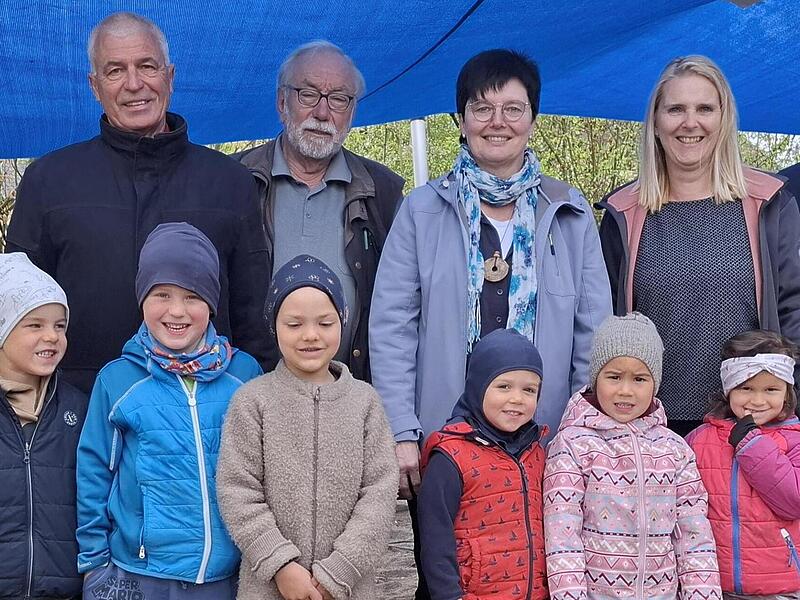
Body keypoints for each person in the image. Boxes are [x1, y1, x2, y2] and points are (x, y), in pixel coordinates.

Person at [369, 48, 611, 598]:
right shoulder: (422, 210)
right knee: (447, 577)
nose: (497, 122)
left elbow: (592, 333)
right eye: (481, 108)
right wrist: (402, 432)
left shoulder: (569, 212)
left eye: (513, 108)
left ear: (533, 119)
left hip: (544, 444)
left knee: (535, 575)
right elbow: (392, 326)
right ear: (460, 120)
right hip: (448, 446)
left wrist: (582, 433)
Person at [6, 11, 270, 394]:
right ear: (95, 86)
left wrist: (257, 405)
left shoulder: (230, 182)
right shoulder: (48, 181)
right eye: (115, 70)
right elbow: (16, 311)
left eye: (147, 66)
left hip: (204, 411)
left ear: (170, 76)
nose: (134, 84)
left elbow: (254, 315)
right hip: (77, 410)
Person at [598, 55, 800, 437]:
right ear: (656, 122)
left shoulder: (770, 204)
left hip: (751, 427)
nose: (690, 122)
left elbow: (794, 309)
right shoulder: (623, 213)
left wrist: (788, 407)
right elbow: (601, 319)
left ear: (724, 119)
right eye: (676, 109)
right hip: (648, 429)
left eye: (704, 109)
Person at [76, 223, 262, 598]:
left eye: (193, 296)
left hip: (225, 577)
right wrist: (94, 563)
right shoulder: (118, 380)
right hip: (139, 574)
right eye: (162, 294)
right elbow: (94, 471)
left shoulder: (244, 374)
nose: (177, 310)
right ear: (142, 298)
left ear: (211, 303)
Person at [216, 255, 398, 600]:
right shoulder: (252, 401)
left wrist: (340, 570)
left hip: (350, 588)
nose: (311, 336)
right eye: (294, 324)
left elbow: (380, 492)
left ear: (343, 321)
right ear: (275, 327)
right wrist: (280, 565)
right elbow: (237, 491)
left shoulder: (365, 402)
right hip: (270, 588)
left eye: (325, 323)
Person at [234, 41, 404, 381]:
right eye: (308, 94)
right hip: (251, 390)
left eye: (339, 98)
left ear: (352, 112)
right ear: (282, 102)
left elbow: (403, 306)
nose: (323, 113)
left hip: (349, 392)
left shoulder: (382, 192)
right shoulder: (235, 181)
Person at [543, 313, 722, 600]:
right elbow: (562, 538)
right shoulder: (573, 445)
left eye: (639, 379)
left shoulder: (675, 449)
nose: (625, 391)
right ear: (595, 379)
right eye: (614, 377)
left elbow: (694, 536)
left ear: (655, 383)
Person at [418, 328, 548, 600]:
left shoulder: (538, 453)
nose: (517, 398)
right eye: (504, 386)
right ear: (478, 386)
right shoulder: (451, 455)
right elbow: (435, 538)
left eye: (529, 390)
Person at [687, 330, 800, 599]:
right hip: (713, 584)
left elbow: (793, 501)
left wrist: (752, 444)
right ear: (729, 390)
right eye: (746, 388)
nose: (757, 401)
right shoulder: (700, 439)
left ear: (786, 393)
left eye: (771, 389)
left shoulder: (795, 440)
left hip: (780, 586)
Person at [0, 253, 86, 600]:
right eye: (34, 325)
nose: (52, 336)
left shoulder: (78, 410)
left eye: (60, 326)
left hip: (63, 591)